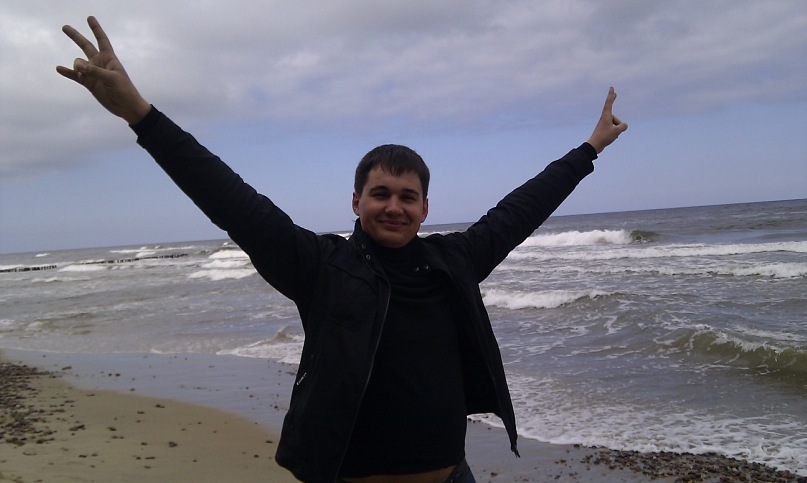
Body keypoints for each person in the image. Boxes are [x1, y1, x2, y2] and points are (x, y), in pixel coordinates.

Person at [57, 16, 627, 483]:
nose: (394, 207)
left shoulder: (454, 261)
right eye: (381, 194)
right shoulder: (321, 267)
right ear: (356, 201)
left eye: (408, 197)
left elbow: (521, 210)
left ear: (425, 208)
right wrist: (140, 113)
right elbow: (228, 197)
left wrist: (590, 148)